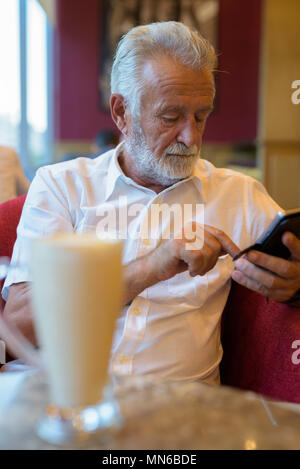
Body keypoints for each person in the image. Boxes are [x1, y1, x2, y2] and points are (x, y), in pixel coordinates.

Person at [2, 22, 300, 384]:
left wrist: (295, 284)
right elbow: (16, 329)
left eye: (201, 117)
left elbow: (291, 261)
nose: (191, 137)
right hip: (53, 404)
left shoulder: (238, 196)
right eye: (171, 117)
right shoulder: (62, 186)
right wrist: (150, 268)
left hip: (175, 421)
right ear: (121, 114)